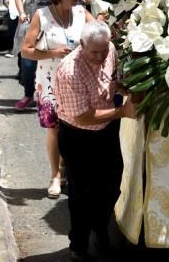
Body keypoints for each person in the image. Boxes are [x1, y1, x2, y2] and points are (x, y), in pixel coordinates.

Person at [55, 21, 137, 259]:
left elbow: (112, 78)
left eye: (104, 50)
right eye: (94, 52)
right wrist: (122, 112)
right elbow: (84, 116)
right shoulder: (70, 70)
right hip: (78, 136)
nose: (101, 56)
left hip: (107, 130)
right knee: (81, 193)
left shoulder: (108, 48)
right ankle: (78, 245)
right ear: (81, 45)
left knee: (112, 185)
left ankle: (100, 230)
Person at [21, 0, 94, 199]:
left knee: (74, 126)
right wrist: (53, 52)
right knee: (54, 128)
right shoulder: (41, 16)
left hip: (78, 81)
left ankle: (64, 169)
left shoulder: (82, 13)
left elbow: (102, 33)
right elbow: (26, 50)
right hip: (50, 81)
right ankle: (54, 175)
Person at [13, 0, 64, 110]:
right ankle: (28, 94)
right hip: (30, 18)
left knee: (53, 59)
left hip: (52, 20)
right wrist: (21, 13)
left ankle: (52, 96)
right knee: (28, 62)